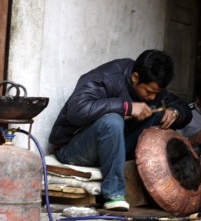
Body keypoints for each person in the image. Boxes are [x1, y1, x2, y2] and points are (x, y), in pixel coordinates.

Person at [49, 49, 192, 211]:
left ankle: (161, 188)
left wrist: (175, 112)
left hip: (116, 146)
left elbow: (183, 108)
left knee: (160, 115)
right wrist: (127, 107)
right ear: (135, 77)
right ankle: (114, 194)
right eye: (149, 92)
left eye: (156, 93)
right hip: (73, 149)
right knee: (112, 120)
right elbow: (77, 110)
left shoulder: (154, 91)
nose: (152, 97)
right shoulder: (107, 77)